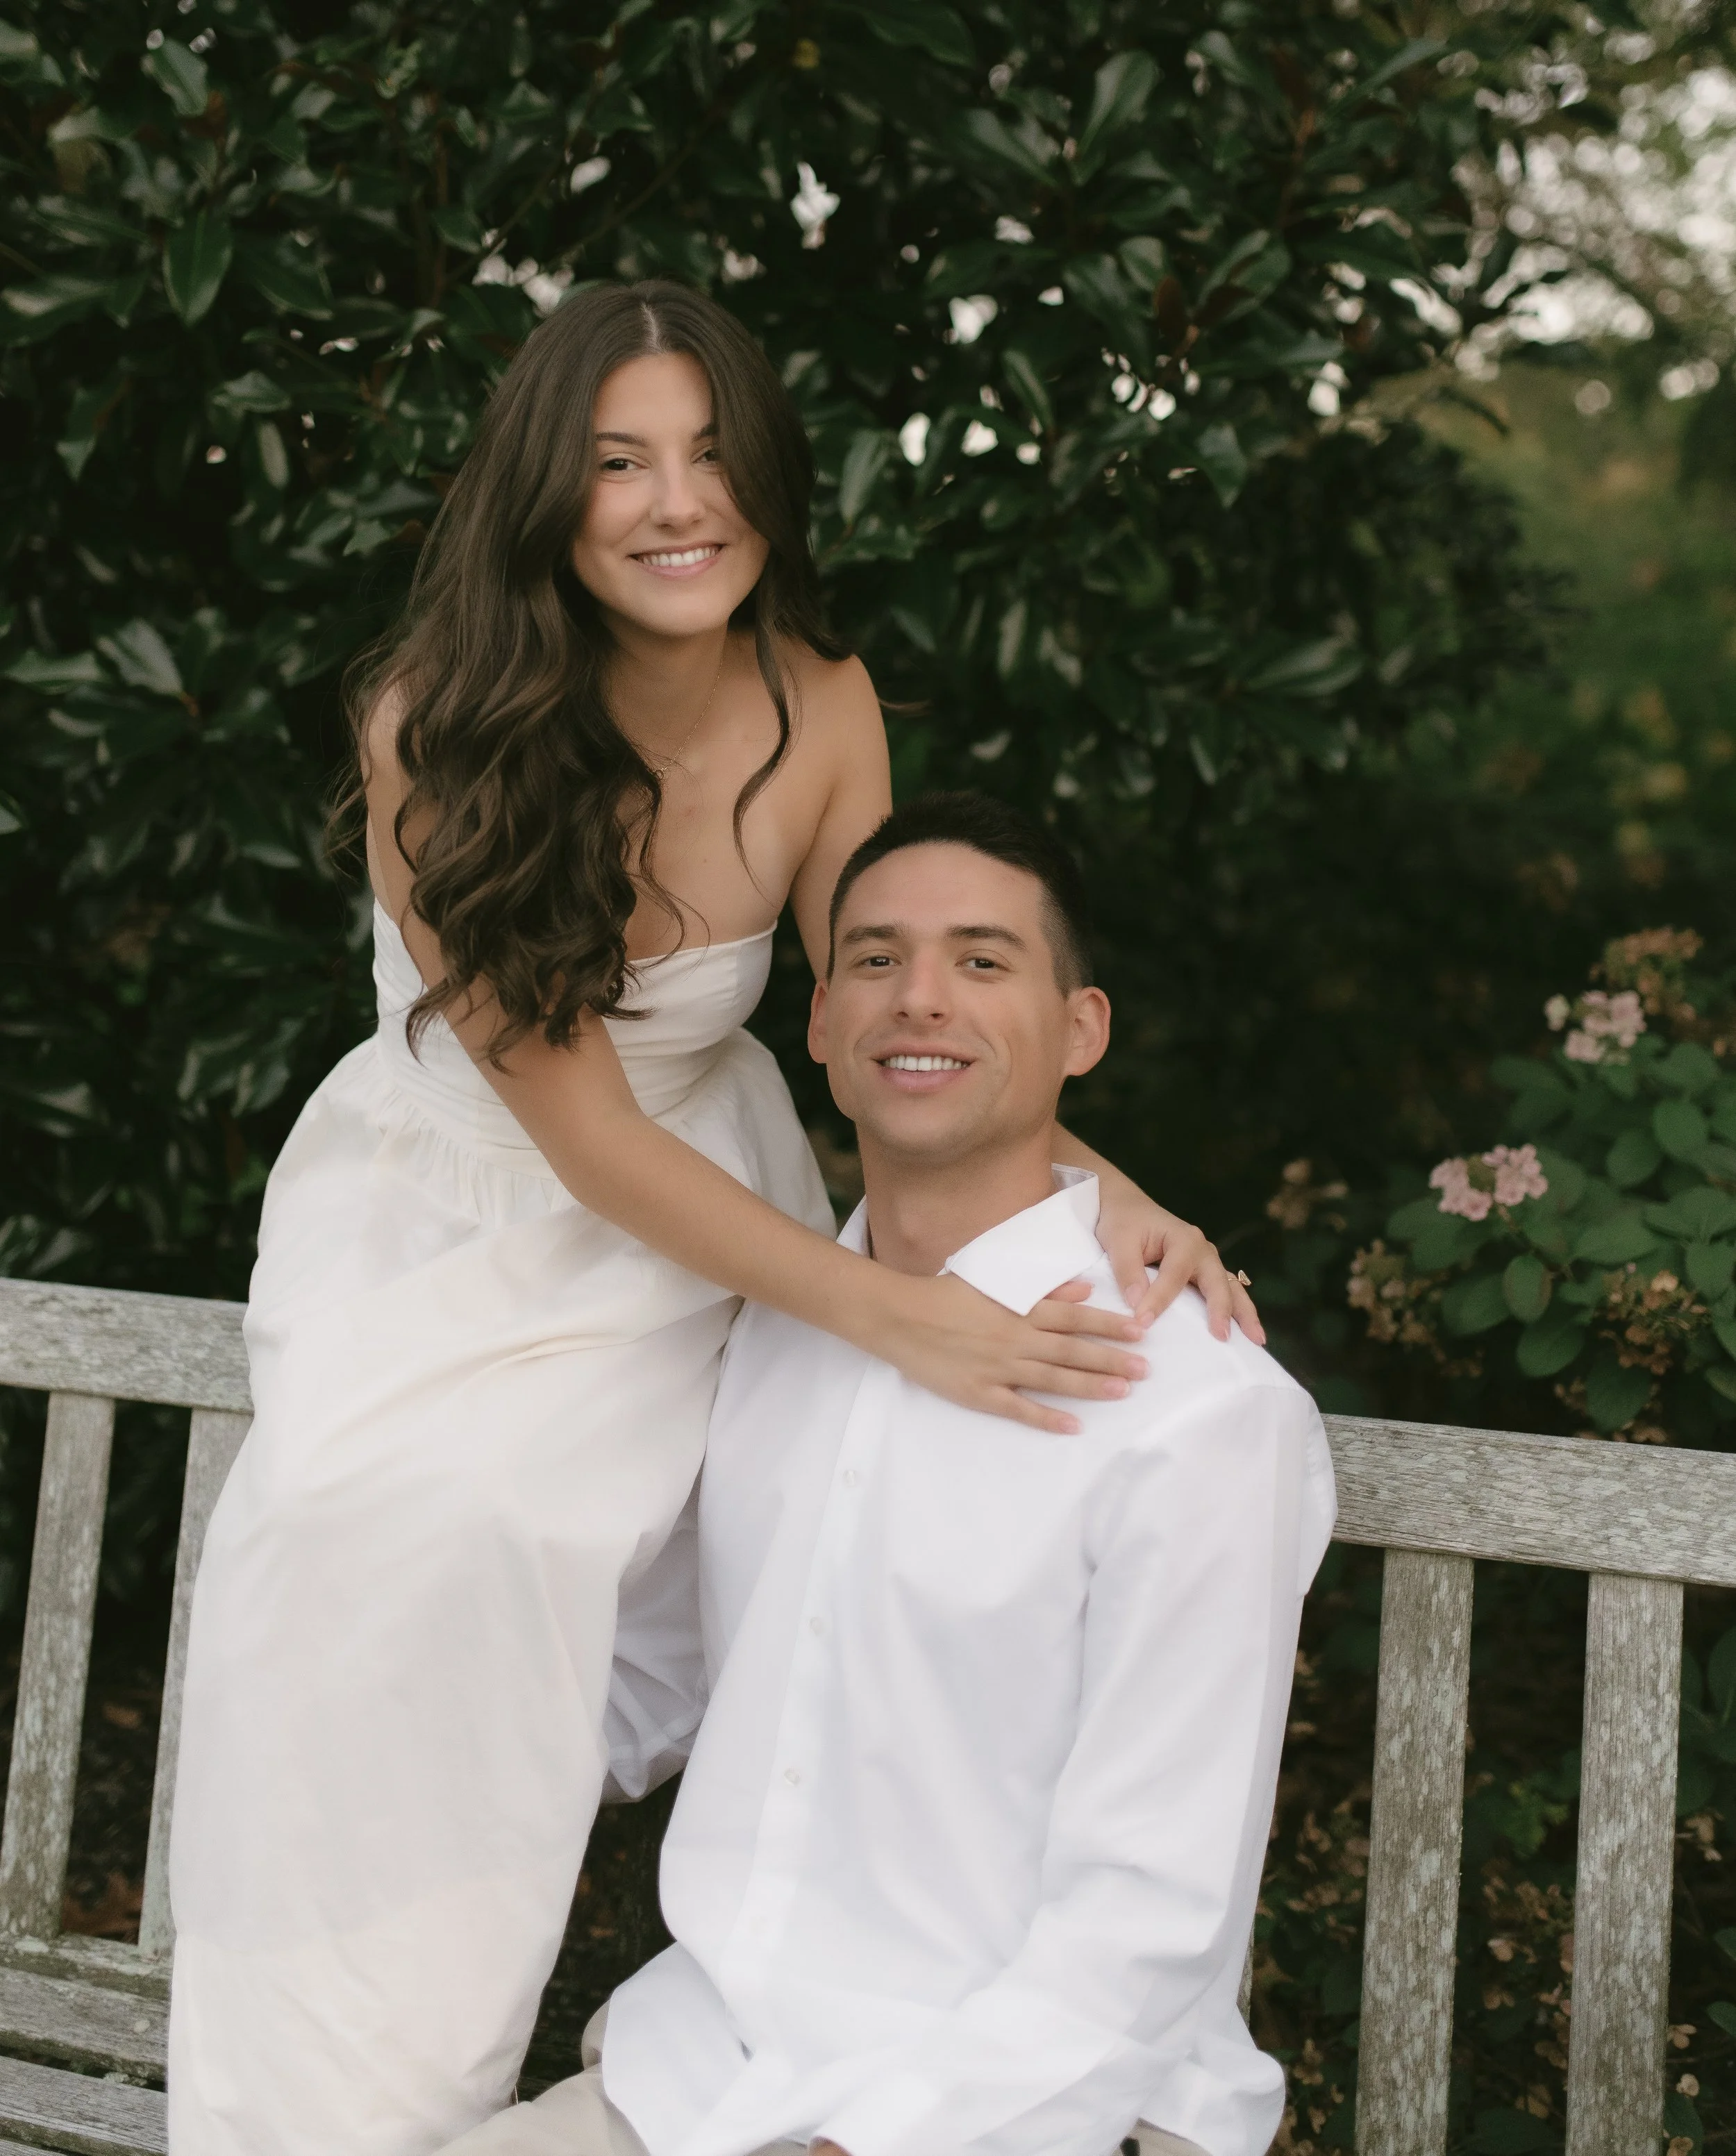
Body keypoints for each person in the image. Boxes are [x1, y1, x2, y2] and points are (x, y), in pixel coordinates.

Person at [165, 283, 1258, 2156]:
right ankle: (319, 2110)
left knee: (764, 1533)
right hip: (467, 1201)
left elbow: (892, 1008)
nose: (678, 504)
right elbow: (583, 1133)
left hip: (721, 1182)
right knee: (385, 1572)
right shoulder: (433, 725)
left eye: (710, 456)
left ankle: (885, 2017)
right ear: (549, 498)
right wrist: (887, 1310)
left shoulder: (818, 701)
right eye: (619, 464)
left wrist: (1120, 1193)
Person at [447, 794, 1335, 2156]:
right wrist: (393, 1714)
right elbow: (653, 1684)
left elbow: (1147, 1915)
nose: (919, 997)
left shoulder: (1196, 1411)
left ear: (1081, 1029)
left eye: (981, 960)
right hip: (706, 2075)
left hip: (1037, 2110)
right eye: (873, 958)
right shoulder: (779, 1331)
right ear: (817, 1024)